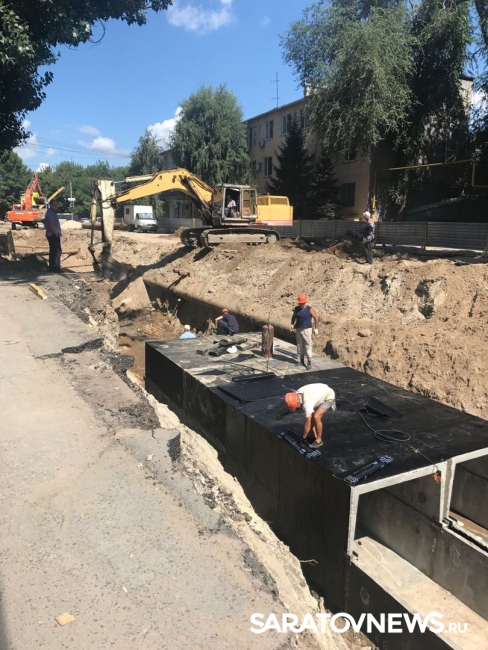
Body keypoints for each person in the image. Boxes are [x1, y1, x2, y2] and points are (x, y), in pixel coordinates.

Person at [284, 383, 336, 449]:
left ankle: (319, 440)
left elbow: (307, 424)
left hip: (328, 395)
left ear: (298, 402)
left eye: (296, 407)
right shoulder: (298, 393)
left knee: (316, 416)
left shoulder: (307, 404)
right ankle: (313, 436)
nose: (297, 408)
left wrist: (303, 437)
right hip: (320, 392)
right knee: (312, 416)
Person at [291, 294, 319, 370]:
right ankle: (301, 361)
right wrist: (292, 324)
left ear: (305, 302)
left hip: (307, 329)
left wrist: (316, 328)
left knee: (308, 345)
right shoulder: (296, 309)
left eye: (302, 303)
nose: (300, 304)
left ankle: (309, 362)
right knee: (300, 345)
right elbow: (293, 316)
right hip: (298, 329)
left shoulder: (309, 309)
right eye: (299, 303)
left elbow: (316, 318)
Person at [44, 198, 62, 273]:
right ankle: (56, 267)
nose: (56, 206)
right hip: (53, 235)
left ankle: (52, 267)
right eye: (54, 205)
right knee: (57, 251)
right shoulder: (50, 213)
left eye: (57, 205)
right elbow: (51, 224)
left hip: (52, 234)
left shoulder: (52, 213)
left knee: (53, 251)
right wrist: (56, 233)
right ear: (51, 205)